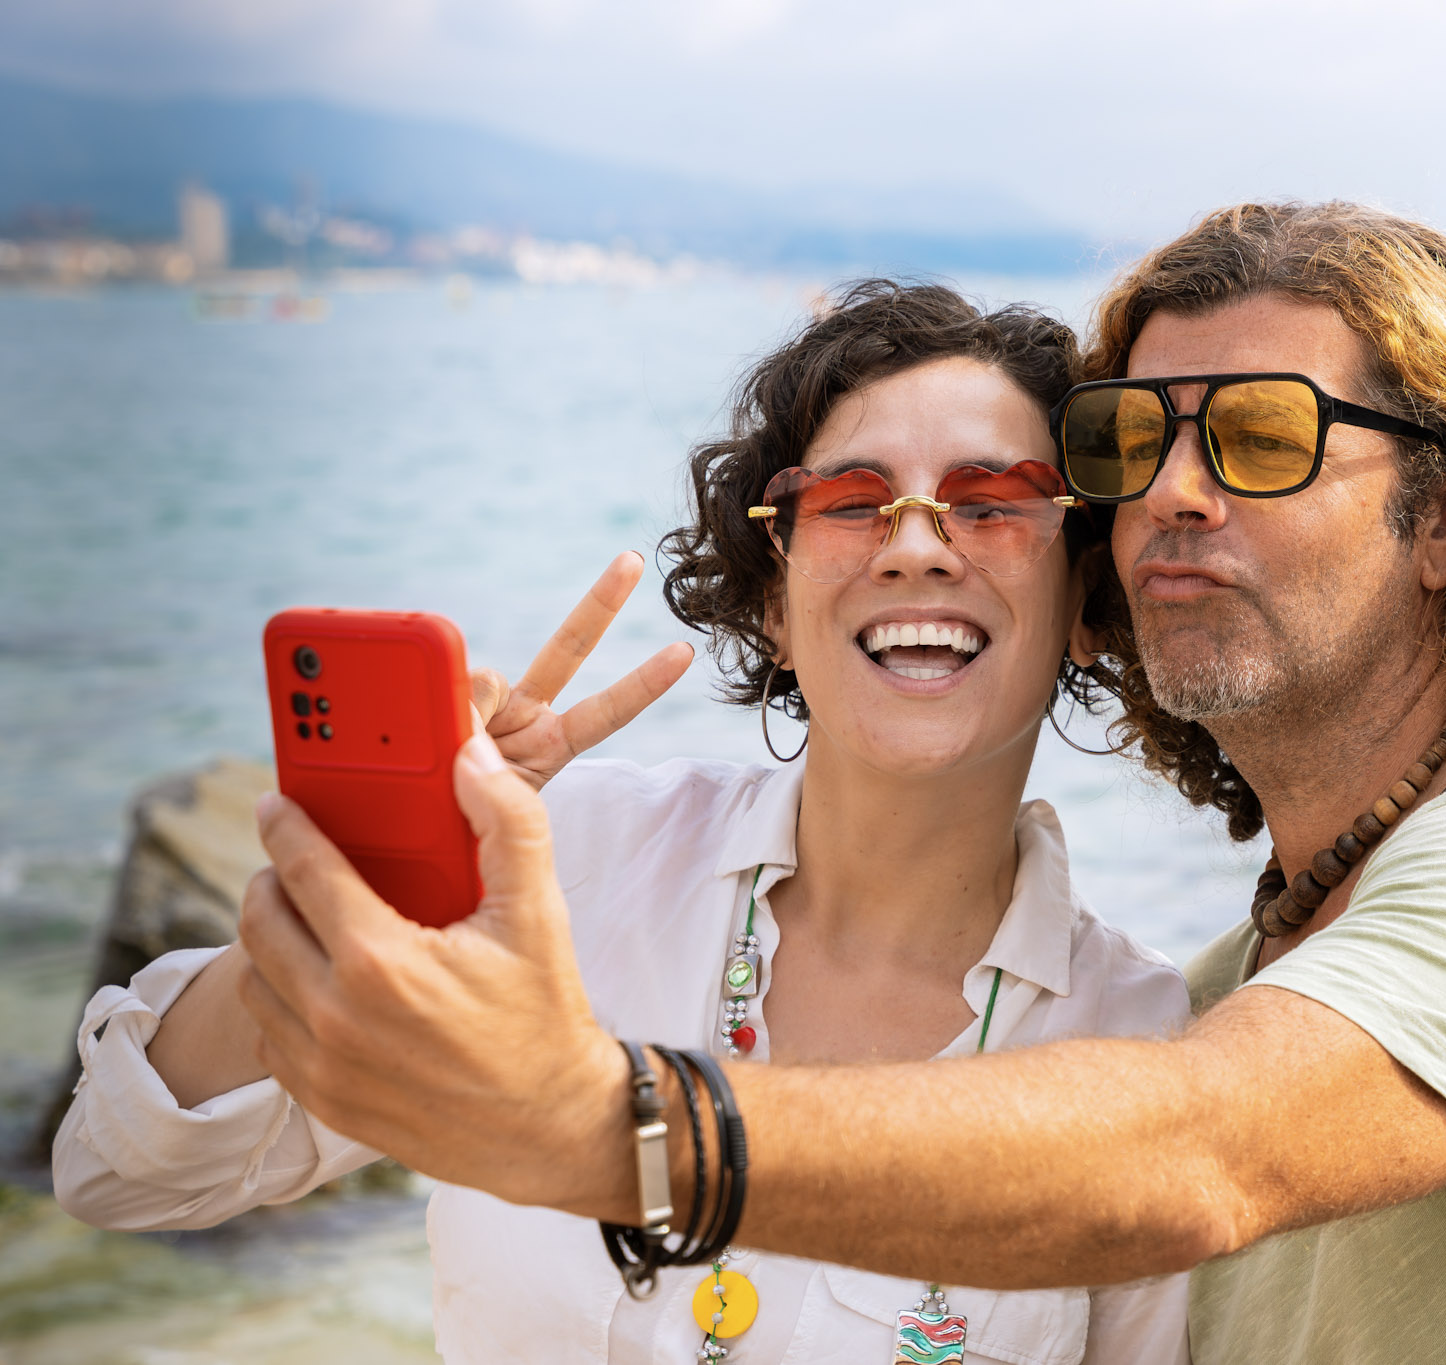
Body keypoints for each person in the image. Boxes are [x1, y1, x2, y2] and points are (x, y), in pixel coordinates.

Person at [81, 202, 1446, 1364]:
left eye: (1263, 436)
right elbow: (123, 1162)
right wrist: (384, 890)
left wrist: (599, 1122)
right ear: (774, 564)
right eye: (1132, 445)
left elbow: (1190, 1157)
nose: (1179, 493)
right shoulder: (1251, 989)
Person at [52, 281, 1194, 1364]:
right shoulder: (571, 860)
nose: (914, 543)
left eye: (990, 506)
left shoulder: (1145, 1044)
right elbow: (121, 1168)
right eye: (850, 504)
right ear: (770, 603)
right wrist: (388, 883)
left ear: (1085, 607)